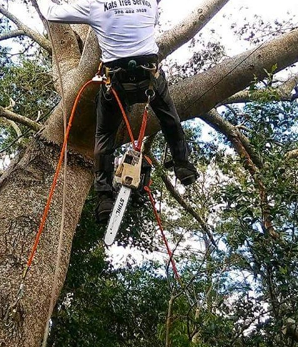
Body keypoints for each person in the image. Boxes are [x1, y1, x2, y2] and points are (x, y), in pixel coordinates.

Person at [37, 0, 199, 223]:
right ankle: (182, 165)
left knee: (104, 136)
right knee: (169, 118)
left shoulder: (96, 6)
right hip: (149, 77)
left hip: (116, 82)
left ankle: (104, 198)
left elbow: (50, 12)